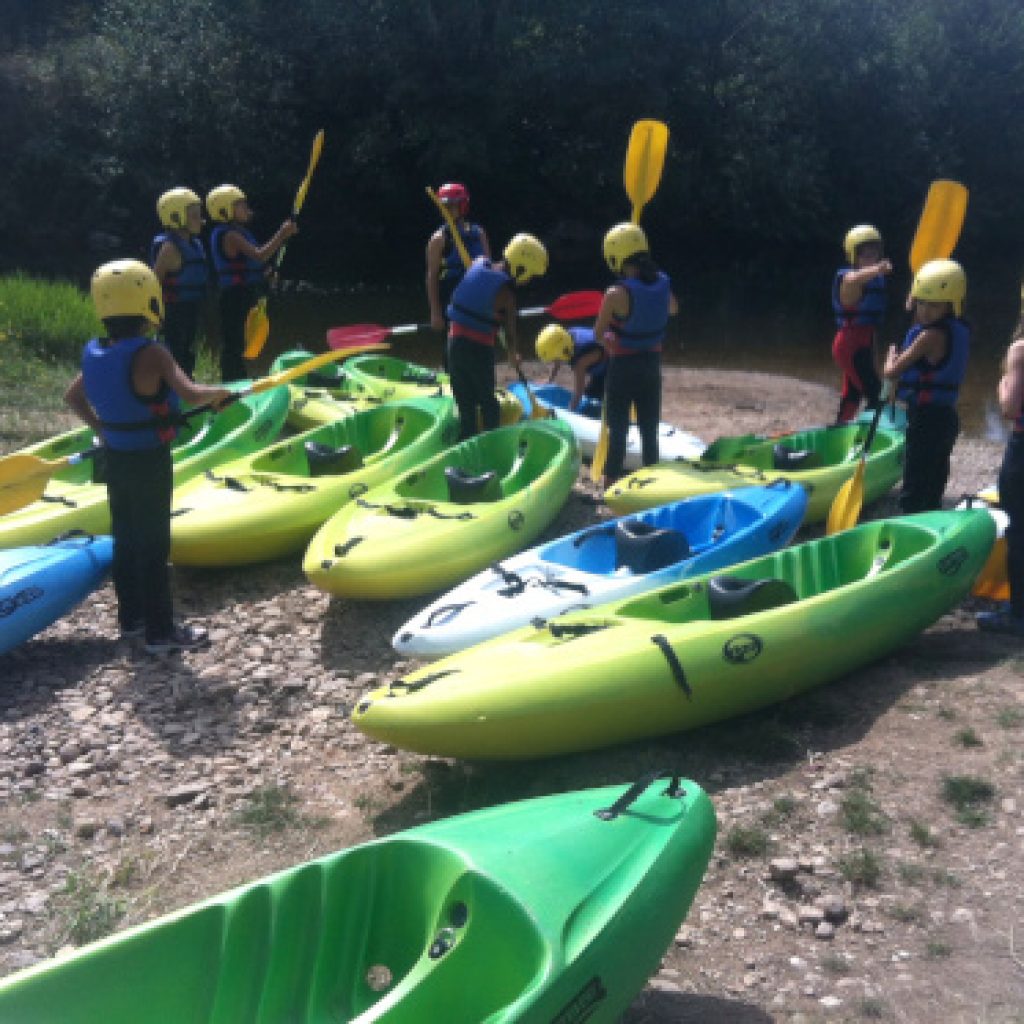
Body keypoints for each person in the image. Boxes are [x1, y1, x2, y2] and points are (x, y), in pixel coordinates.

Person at [64, 259, 232, 654]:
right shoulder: (152, 353)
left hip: (115, 458)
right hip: (149, 460)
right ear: (148, 301)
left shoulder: (97, 352)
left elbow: (72, 397)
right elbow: (191, 394)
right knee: (154, 544)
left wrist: (102, 429)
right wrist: (219, 393)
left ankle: (132, 620)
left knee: (126, 537)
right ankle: (162, 633)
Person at [593, 222, 678, 487]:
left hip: (624, 366)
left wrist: (609, 341)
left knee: (618, 428)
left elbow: (598, 333)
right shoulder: (663, 283)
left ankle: (610, 482)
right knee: (649, 428)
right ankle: (652, 480)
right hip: (651, 365)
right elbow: (673, 310)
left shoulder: (615, 293)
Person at [883, 258, 969, 513]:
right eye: (921, 302)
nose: (925, 310)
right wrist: (917, 300)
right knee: (934, 479)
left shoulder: (929, 336)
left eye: (933, 305)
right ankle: (930, 518)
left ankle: (907, 525)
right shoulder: (957, 328)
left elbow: (892, 372)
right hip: (946, 418)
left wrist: (890, 355)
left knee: (914, 481)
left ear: (951, 304)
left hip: (926, 421)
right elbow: (921, 319)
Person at [446, 233, 548, 439]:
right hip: (478, 350)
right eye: (530, 275)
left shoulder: (478, 262)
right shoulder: (507, 295)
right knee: (488, 402)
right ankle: (492, 443)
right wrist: (512, 354)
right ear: (521, 268)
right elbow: (509, 332)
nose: (529, 280)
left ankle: (465, 442)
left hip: (453, 344)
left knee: (465, 401)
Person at [206, 184, 297, 382]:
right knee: (234, 344)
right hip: (233, 296)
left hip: (244, 293)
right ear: (225, 210)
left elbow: (253, 264)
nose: (247, 208)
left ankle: (240, 378)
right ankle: (232, 383)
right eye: (241, 205)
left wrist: (266, 274)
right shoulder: (230, 235)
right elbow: (259, 255)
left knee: (244, 341)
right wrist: (282, 234)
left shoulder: (238, 232)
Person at [977, 329, 1024, 637]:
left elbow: (1008, 407)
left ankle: (1018, 614)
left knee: (1019, 529)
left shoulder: (1021, 349)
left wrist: (1004, 379)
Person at [831, 224, 892, 424]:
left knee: (853, 393)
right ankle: (867, 438)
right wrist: (877, 268)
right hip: (848, 345)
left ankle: (839, 428)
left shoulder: (873, 278)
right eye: (865, 255)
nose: (871, 259)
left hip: (864, 343)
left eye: (874, 254)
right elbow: (854, 278)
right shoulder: (849, 280)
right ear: (853, 257)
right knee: (874, 393)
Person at [150, 187, 207, 379]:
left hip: (190, 306)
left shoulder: (194, 245)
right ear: (175, 217)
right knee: (175, 352)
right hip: (173, 310)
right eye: (194, 216)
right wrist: (154, 315)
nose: (200, 220)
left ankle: (186, 388)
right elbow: (153, 283)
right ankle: (171, 395)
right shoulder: (169, 249)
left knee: (187, 352)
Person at [425, 182, 491, 333]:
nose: (449, 210)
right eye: (447, 206)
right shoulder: (438, 239)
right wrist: (435, 312)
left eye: (454, 206)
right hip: (451, 297)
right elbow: (432, 277)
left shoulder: (478, 233)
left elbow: (489, 269)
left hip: (476, 296)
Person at [535, 323, 607, 411]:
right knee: (590, 397)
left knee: (598, 403)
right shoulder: (567, 338)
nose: (554, 360)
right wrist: (550, 379)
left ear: (562, 352)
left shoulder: (580, 362)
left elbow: (579, 390)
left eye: (554, 358)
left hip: (616, 367)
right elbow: (557, 361)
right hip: (603, 367)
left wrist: (570, 410)